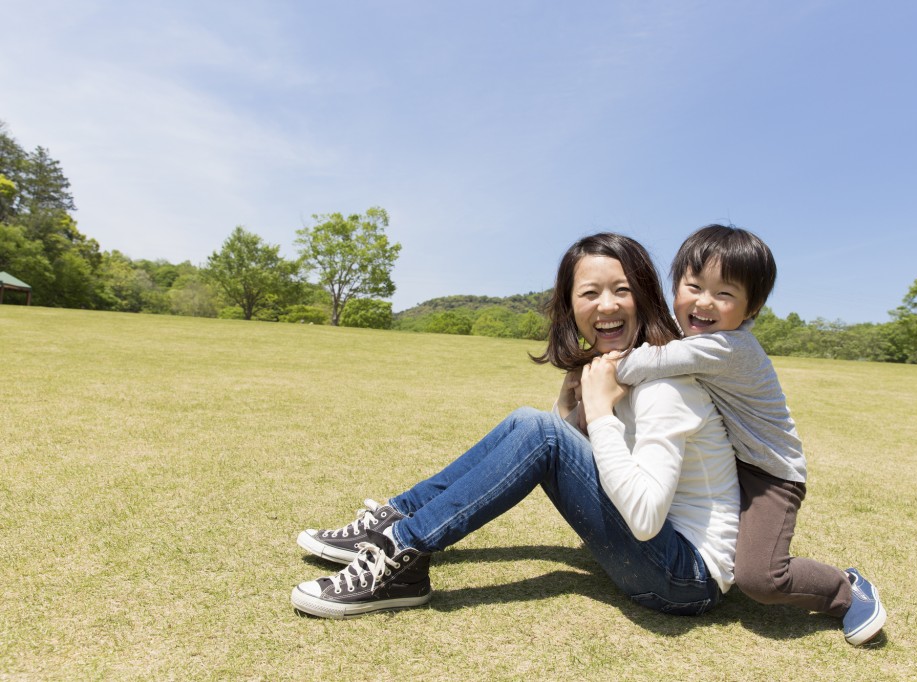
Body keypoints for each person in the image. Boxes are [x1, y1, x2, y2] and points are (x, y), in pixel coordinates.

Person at [291, 232, 741, 620]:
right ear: (569, 305)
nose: (607, 305)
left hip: (686, 578)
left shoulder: (665, 386)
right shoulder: (619, 370)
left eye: (622, 290)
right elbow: (588, 464)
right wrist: (573, 408)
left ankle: (400, 556)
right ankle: (396, 518)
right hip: (664, 559)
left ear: (645, 295)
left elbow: (643, 519)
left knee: (537, 430)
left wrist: (599, 412)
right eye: (589, 293)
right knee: (534, 424)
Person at [613, 224, 886, 646]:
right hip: (731, 458)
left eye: (725, 294)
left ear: (750, 308)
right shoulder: (700, 338)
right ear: (676, 287)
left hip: (770, 474)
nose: (705, 302)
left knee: (760, 577)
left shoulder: (726, 347)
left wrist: (597, 367)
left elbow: (637, 365)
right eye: (693, 286)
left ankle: (845, 589)